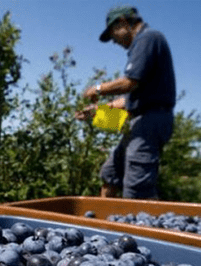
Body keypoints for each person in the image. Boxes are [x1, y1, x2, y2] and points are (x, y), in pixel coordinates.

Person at [76, 5, 176, 199]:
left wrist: (97, 89)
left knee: (137, 188)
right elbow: (131, 101)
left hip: (150, 120)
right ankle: (105, 223)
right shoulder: (143, 44)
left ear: (122, 22)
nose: (114, 41)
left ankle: (138, 225)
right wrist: (96, 113)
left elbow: (129, 83)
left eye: (113, 34)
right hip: (141, 118)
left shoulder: (148, 38)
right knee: (110, 173)